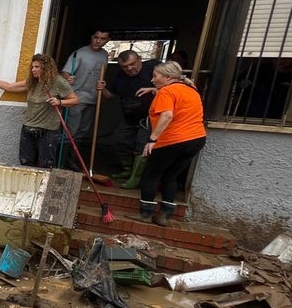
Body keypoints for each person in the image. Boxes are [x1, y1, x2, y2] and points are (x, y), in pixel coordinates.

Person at [136, 61, 206, 226]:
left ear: (167, 77)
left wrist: (152, 139)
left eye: (155, 76)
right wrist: (153, 90)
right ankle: (164, 216)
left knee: (151, 174)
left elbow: (167, 115)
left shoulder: (166, 92)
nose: (152, 80)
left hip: (172, 140)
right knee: (171, 175)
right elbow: (177, 96)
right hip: (196, 139)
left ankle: (146, 214)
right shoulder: (191, 88)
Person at [0, 54, 77, 169]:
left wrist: (59, 102)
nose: (33, 70)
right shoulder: (32, 82)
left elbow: (75, 100)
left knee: (45, 165)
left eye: (37, 67)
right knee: (26, 164)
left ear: (46, 68)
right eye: (32, 67)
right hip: (28, 128)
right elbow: (9, 87)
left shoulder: (58, 82)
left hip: (48, 130)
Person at [96, 50, 161, 188]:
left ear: (140, 59)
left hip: (149, 117)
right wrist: (102, 89)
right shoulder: (120, 76)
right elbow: (110, 96)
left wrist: (153, 89)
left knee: (141, 146)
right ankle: (128, 170)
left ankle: (135, 178)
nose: (129, 68)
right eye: (125, 66)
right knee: (119, 140)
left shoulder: (153, 68)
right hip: (129, 117)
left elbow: (172, 86)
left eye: (132, 64)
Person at [60, 29, 110, 143]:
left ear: (107, 40)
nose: (98, 41)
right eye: (96, 37)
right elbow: (65, 73)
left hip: (94, 98)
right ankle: (65, 153)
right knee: (70, 132)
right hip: (77, 97)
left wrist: (102, 95)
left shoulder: (104, 54)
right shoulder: (79, 53)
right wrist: (68, 78)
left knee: (83, 131)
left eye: (102, 39)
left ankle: (74, 153)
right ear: (91, 37)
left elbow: (101, 77)